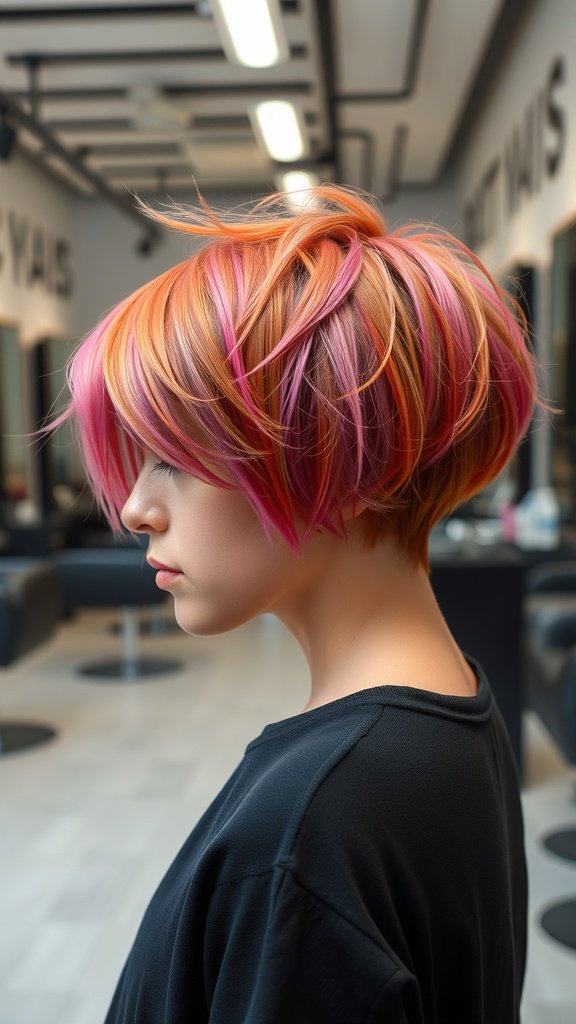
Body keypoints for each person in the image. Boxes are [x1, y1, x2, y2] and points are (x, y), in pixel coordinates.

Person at [52, 185, 539, 1023]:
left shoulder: (312, 833)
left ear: (346, 455)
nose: (134, 508)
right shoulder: (451, 716)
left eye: (171, 457)